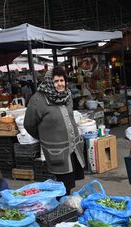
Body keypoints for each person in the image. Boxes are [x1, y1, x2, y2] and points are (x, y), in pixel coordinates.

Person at [24, 67, 85, 195]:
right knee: (61, 184)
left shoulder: (67, 96)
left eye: (62, 80)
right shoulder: (38, 100)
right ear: (49, 82)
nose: (60, 84)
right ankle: (62, 208)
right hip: (56, 151)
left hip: (73, 149)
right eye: (56, 81)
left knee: (69, 182)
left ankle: (67, 205)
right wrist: (45, 137)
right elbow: (29, 124)